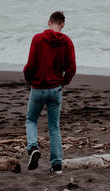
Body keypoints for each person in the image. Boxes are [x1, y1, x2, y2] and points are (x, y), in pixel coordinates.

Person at [23, 11, 76, 174]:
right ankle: (57, 165)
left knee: (31, 119)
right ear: (63, 25)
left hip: (38, 87)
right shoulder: (67, 42)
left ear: (49, 22)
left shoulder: (38, 39)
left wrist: (30, 80)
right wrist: (63, 82)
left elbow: (30, 65)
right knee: (54, 127)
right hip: (55, 89)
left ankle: (33, 148)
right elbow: (71, 69)